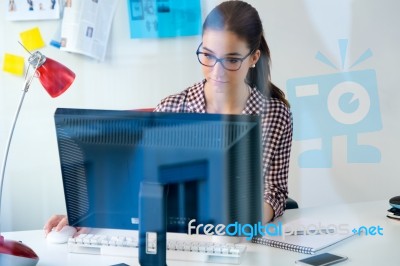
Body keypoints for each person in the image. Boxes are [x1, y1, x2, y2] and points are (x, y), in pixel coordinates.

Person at [44, 0, 293, 235]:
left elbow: (275, 191)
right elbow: (137, 186)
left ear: (253, 58)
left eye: (231, 60)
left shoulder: (275, 115)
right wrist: (86, 216)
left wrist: (247, 219)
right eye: (207, 55)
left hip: (240, 241)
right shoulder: (172, 108)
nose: (216, 71)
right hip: (178, 240)